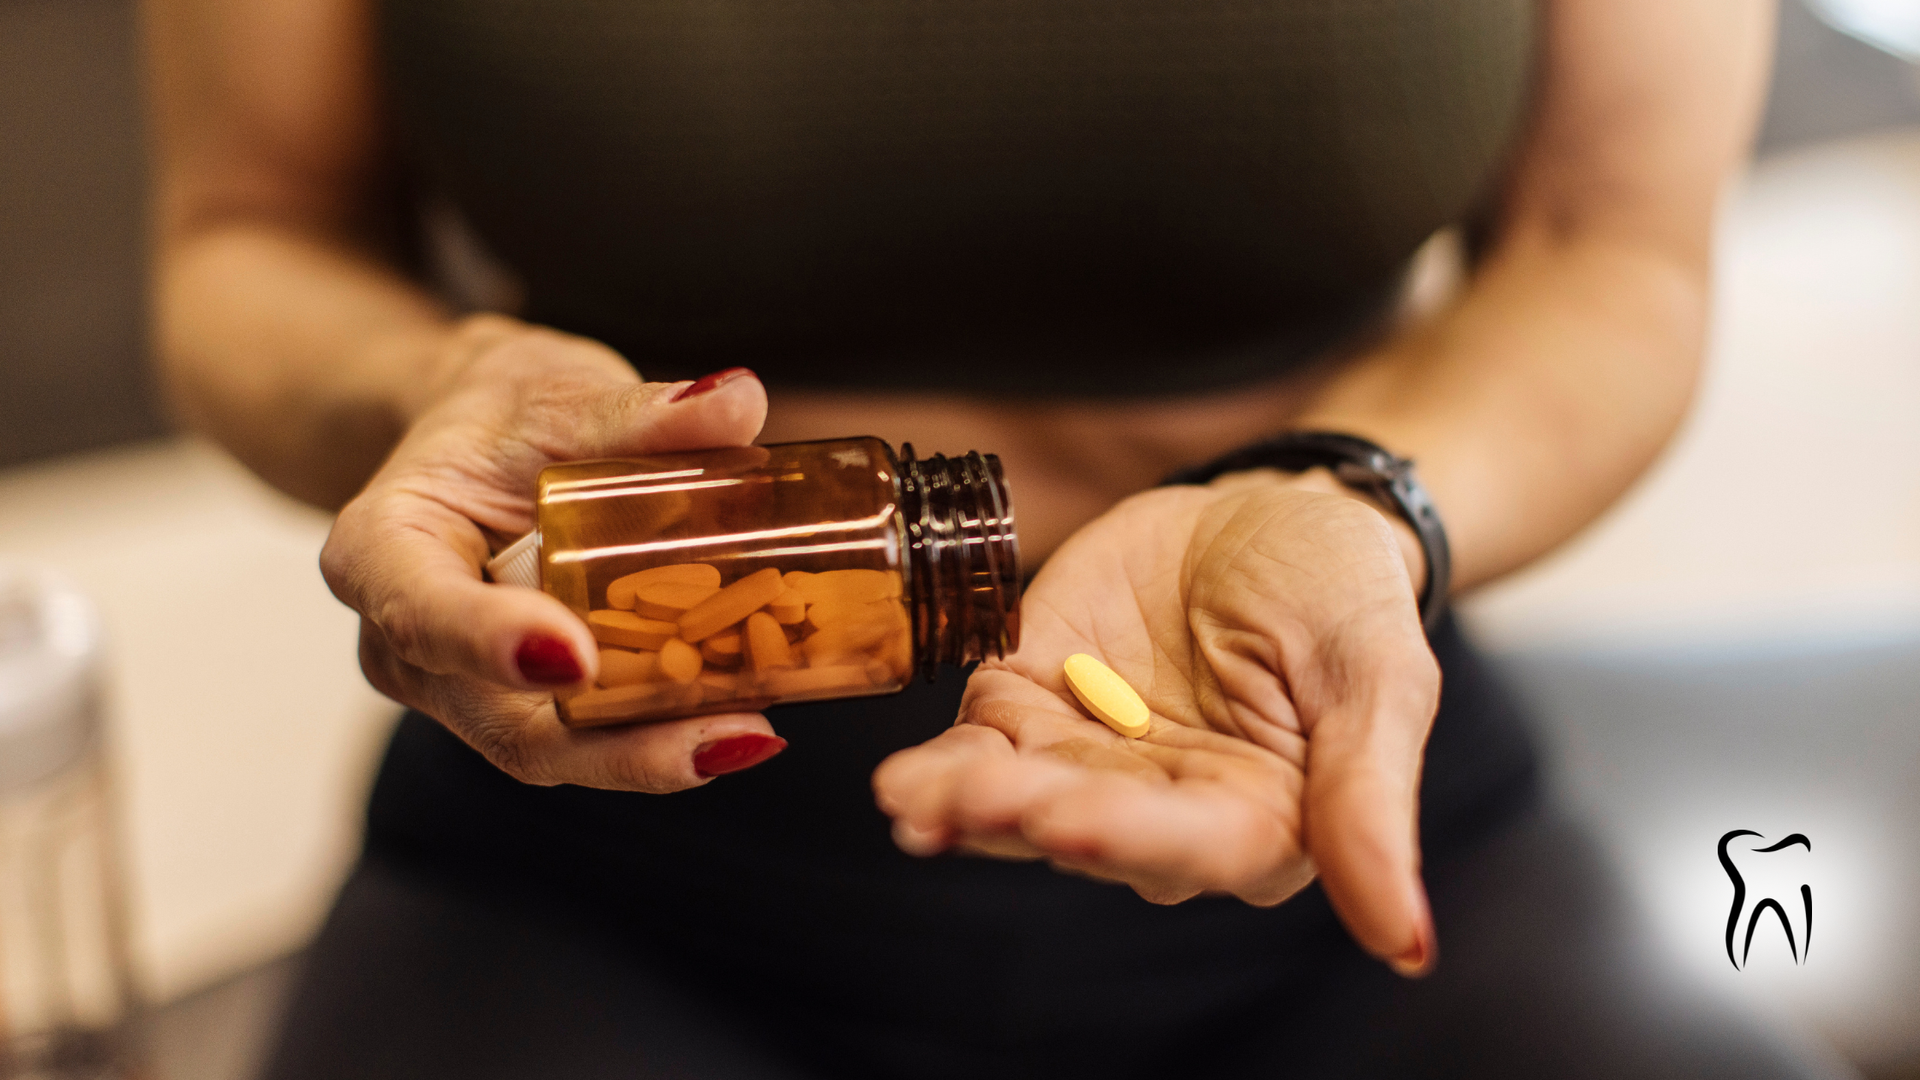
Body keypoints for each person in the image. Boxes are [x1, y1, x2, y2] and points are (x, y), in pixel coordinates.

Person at [148, 0, 1834, 1075]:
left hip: (1312, 744)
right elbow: (251, 228)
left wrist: (1356, 493)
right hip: (608, 814)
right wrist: (437, 385)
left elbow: (1606, 245)